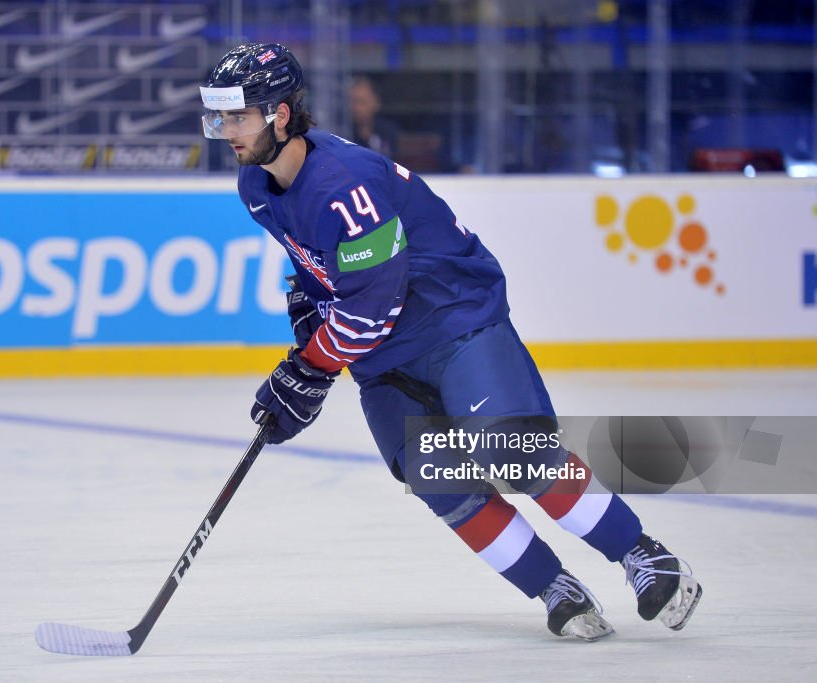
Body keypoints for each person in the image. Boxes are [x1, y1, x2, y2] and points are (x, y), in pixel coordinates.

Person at [198, 43, 702, 641]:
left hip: (453, 323)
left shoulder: (343, 185)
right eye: (220, 117)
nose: (226, 131)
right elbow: (318, 264)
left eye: (238, 116)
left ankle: (643, 555)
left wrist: (308, 367)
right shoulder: (256, 184)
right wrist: (308, 310)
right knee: (441, 481)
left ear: (280, 115)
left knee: (515, 452)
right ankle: (552, 586)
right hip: (384, 361)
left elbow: (373, 305)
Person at [348, 76, 400, 159]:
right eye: (353, 102)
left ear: (376, 103)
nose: (355, 108)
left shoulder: (387, 132)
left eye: (362, 102)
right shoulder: (343, 133)